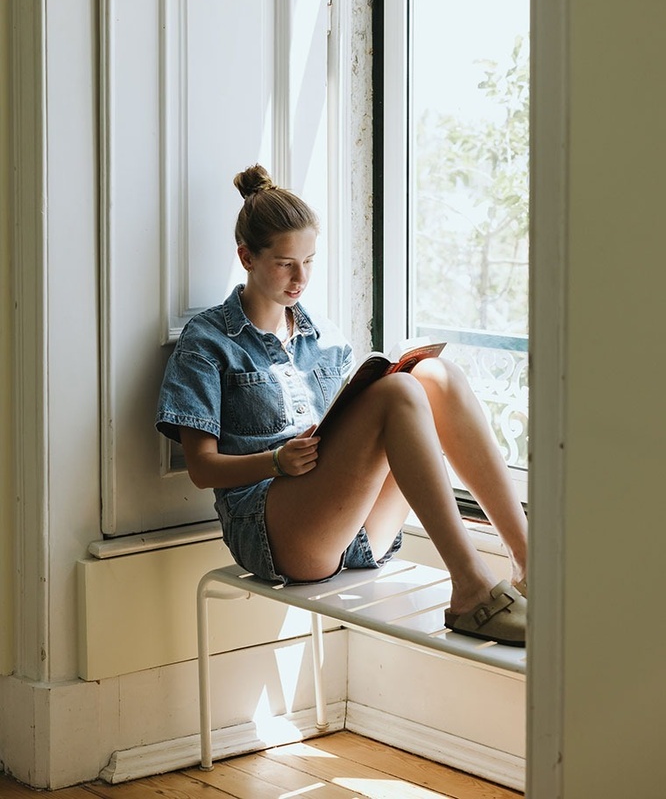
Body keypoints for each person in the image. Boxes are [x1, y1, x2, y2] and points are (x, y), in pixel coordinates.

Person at [156, 165, 527, 646]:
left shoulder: (322, 335)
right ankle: (472, 588)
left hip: (354, 528)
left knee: (437, 375)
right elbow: (202, 469)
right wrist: (275, 461)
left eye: (309, 261)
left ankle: (528, 566)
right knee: (398, 394)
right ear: (246, 257)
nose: (300, 278)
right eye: (285, 263)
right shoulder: (207, 341)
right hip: (275, 533)